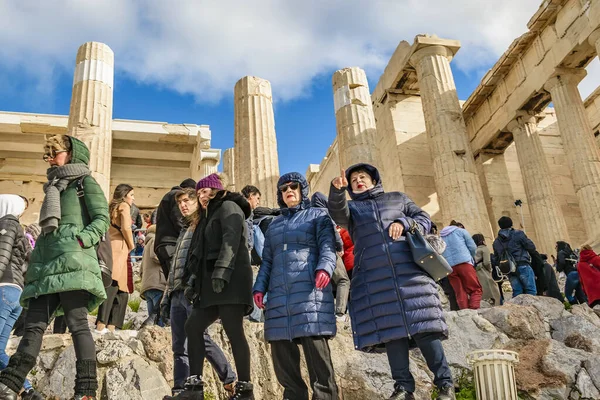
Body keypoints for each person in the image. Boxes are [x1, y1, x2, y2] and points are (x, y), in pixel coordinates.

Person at [328, 164, 454, 400]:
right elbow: (337, 214)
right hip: (375, 278)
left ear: (374, 179)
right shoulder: (353, 209)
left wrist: (405, 223)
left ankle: (445, 385)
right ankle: (404, 388)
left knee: (425, 330)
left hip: (410, 273)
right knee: (392, 334)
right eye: (354, 179)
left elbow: (423, 219)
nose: (358, 181)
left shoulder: (397, 198)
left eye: (362, 177)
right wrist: (336, 192)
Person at [0, 134, 109, 400]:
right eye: (46, 155)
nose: (49, 159)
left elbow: (102, 218)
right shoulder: (53, 187)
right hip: (47, 263)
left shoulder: (85, 182)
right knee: (35, 324)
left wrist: (82, 240)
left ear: (71, 154)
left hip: (73, 261)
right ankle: (10, 386)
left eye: (54, 153)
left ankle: (85, 391)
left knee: (77, 323)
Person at [254, 174, 338, 400]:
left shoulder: (318, 215)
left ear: (303, 190)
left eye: (293, 187)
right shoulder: (274, 225)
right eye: (284, 189)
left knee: (317, 357)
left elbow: (328, 247)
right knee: (282, 356)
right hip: (280, 295)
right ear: (280, 195)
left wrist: (325, 268)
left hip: (309, 291)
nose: (289, 190)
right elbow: (267, 261)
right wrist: (259, 287)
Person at [171, 174, 254, 399]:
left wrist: (222, 272)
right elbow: (198, 254)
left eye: (205, 191)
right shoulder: (207, 216)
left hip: (232, 280)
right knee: (192, 326)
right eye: (198, 193)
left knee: (233, 331)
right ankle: (195, 387)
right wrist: (192, 283)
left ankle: (245, 389)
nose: (201, 196)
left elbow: (231, 240)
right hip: (210, 285)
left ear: (216, 190)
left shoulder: (229, 207)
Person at [160, 188, 235, 397]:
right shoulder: (184, 230)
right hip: (176, 293)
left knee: (200, 338)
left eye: (187, 200)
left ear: (196, 202)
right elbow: (176, 265)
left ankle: (229, 378)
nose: (183, 205)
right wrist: (166, 297)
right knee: (178, 347)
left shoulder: (203, 225)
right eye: (180, 202)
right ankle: (181, 390)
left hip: (193, 292)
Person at [0, 195, 43, 400]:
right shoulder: (19, 231)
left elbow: (2, 256)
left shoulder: (7, 223)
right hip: (15, 293)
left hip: (3, 289)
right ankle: (27, 390)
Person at [95, 184, 135, 334]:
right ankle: (105, 325)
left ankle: (107, 325)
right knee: (115, 285)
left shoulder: (110, 207)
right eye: (131, 194)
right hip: (120, 246)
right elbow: (126, 227)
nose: (133, 198)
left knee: (119, 287)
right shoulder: (124, 206)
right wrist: (131, 244)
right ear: (124, 195)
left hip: (110, 245)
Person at [311, 191, 349, 321]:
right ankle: (340, 313)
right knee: (343, 280)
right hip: (328, 251)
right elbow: (333, 231)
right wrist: (339, 246)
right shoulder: (324, 213)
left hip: (314, 253)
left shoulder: (307, 214)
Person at [155, 179, 197, 280]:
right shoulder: (175, 196)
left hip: (162, 243)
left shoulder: (167, 196)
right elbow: (178, 219)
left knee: (171, 281)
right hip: (171, 243)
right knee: (178, 281)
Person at [440, 221, 482, 310]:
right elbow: (473, 247)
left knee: (459, 291)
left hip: (450, 267)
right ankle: (474, 309)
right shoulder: (461, 231)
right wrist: (471, 256)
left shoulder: (440, 236)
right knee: (475, 289)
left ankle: (465, 311)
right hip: (464, 263)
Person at [492, 217, 537, 298]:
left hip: (509, 268)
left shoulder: (496, 241)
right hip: (522, 264)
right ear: (511, 223)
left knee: (517, 292)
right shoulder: (518, 234)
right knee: (530, 290)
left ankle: (518, 309)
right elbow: (531, 247)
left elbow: (496, 259)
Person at [140, 225, 166, 327]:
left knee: (152, 318)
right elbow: (155, 256)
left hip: (147, 287)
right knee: (160, 317)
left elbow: (141, 269)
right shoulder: (155, 240)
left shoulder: (145, 245)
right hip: (157, 283)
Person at [472, 234, 501, 306]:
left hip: (474, 270)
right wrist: (490, 269)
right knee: (492, 290)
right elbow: (487, 262)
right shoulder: (484, 248)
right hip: (483, 270)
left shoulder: (473, 250)